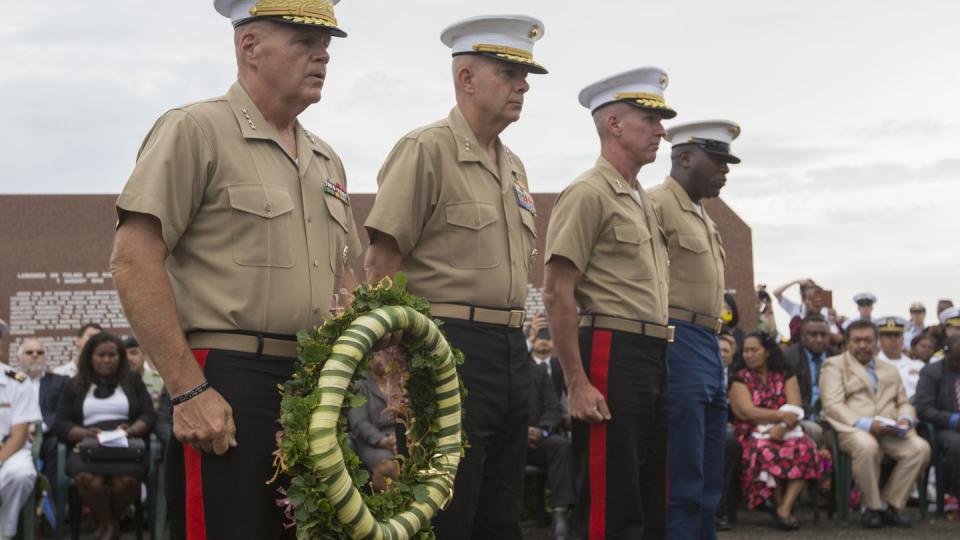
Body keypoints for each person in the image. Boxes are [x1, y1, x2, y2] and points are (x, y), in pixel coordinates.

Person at [110, 2, 363, 537]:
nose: (322, 54)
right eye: (303, 40)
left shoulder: (326, 159)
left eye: (326, 43)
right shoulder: (195, 130)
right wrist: (187, 389)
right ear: (249, 47)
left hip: (315, 384)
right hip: (226, 380)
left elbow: (346, 278)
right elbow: (133, 259)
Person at [363, 14, 547, 539]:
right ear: (466, 78)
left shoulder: (513, 166)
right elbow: (382, 262)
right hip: (445, 348)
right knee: (446, 510)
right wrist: (393, 372)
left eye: (524, 75)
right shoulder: (427, 149)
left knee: (500, 512)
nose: (523, 85)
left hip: (511, 349)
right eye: (509, 72)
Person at [543, 67, 675, 540]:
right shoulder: (588, 194)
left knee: (649, 494)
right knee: (610, 504)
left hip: (651, 354)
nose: (661, 130)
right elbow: (558, 291)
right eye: (649, 118)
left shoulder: (641, 199)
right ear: (614, 124)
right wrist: (577, 382)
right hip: (610, 351)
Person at [648, 119, 740, 540]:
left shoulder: (701, 213)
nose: (725, 170)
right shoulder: (656, 204)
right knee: (681, 472)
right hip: (675, 337)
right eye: (717, 161)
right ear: (684, 158)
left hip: (706, 340)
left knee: (708, 470)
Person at [820, 320, 930, 528]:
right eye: (857, 340)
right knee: (867, 446)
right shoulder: (834, 365)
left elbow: (903, 402)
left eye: (867, 340)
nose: (862, 345)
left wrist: (906, 419)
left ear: (876, 343)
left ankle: (890, 505)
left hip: (889, 428)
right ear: (847, 342)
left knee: (920, 448)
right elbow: (832, 405)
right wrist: (866, 424)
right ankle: (871, 507)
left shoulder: (889, 369)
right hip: (852, 428)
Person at [53, 332, 156, 540]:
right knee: (87, 479)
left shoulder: (133, 380)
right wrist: (83, 432)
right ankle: (111, 527)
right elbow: (61, 423)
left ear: (121, 357)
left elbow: (148, 414)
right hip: (88, 445)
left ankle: (105, 528)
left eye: (112, 354)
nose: (107, 360)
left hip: (126, 446)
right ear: (90, 356)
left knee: (126, 481)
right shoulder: (74, 384)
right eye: (101, 355)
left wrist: (134, 429)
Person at [729, 331, 822, 530]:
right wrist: (780, 416)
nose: (749, 355)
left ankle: (784, 509)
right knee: (766, 450)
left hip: (787, 430)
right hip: (751, 432)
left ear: (768, 352)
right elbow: (748, 412)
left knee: (806, 448)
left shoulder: (785, 375)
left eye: (754, 350)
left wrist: (782, 427)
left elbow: (795, 408)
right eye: (745, 351)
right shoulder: (739, 378)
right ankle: (780, 506)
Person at [526, 357, 574, 539]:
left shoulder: (538, 372)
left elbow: (553, 408)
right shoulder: (500, 370)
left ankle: (560, 515)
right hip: (509, 438)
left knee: (561, 446)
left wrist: (542, 431)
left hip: (538, 438)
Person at [16, 338, 68, 497]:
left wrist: (40, 426)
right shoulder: (10, 380)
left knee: (56, 448)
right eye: (29, 352)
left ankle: (50, 505)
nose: (35, 355)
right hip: (14, 435)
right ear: (19, 358)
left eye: (40, 352)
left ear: (45, 357)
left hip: (47, 436)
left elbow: (62, 410)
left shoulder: (60, 381)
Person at [915, 334, 960, 503]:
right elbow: (924, 410)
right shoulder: (931, 372)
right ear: (946, 355)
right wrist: (954, 420)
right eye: (957, 360)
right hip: (941, 429)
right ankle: (955, 494)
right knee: (957, 444)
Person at [0, 357, 41, 540]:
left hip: (9, 449)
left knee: (21, 475)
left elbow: (19, 434)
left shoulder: (16, 380)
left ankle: (5, 532)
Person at [347, 351, 398, 493]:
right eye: (377, 355)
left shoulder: (397, 380)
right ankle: (389, 507)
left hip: (398, 437)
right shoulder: (359, 383)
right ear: (368, 357)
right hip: (371, 442)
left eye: (386, 354)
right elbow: (359, 424)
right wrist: (384, 441)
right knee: (388, 467)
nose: (383, 359)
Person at [783, 313, 831, 443]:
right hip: (802, 417)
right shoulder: (788, 358)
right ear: (802, 336)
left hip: (833, 417)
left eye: (823, 335)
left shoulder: (837, 358)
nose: (819, 339)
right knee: (814, 432)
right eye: (813, 335)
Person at [716, 331, 740, 532]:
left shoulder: (738, 378)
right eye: (718, 349)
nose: (722, 354)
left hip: (734, 427)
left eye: (726, 351)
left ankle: (719, 510)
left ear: (732, 355)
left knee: (730, 443)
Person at [876, 317, 925, 399]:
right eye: (888, 336)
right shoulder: (871, 366)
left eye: (897, 335)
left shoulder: (918, 366)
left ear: (903, 339)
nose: (893, 339)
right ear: (880, 340)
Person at [527, 315, 565, 405]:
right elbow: (513, 359)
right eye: (539, 335)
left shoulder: (562, 367)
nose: (543, 340)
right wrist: (531, 338)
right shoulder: (523, 365)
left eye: (548, 335)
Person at [123, 336, 164, 405]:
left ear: (144, 355)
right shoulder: (115, 383)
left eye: (133, 353)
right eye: (123, 355)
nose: (128, 358)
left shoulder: (161, 381)